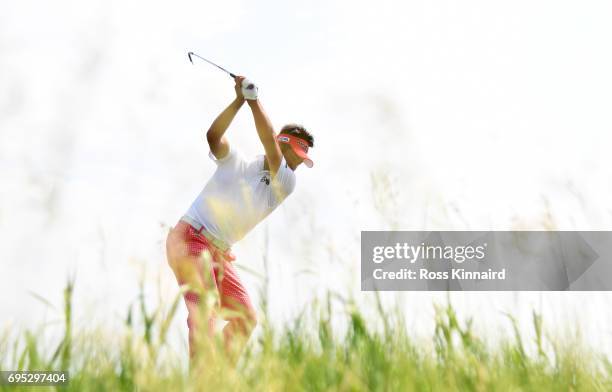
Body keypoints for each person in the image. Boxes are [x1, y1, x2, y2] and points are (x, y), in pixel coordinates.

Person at [165, 75, 314, 363]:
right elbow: (213, 137)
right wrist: (239, 101)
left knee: (246, 318)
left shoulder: (285, 182)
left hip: (217, 253)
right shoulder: (236, 162)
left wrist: (253, 101)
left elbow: (270, 148)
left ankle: (216, 373)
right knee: (204, 314)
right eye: (296, 154)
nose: (297, 164)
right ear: (284, 144)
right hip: (188, 239)